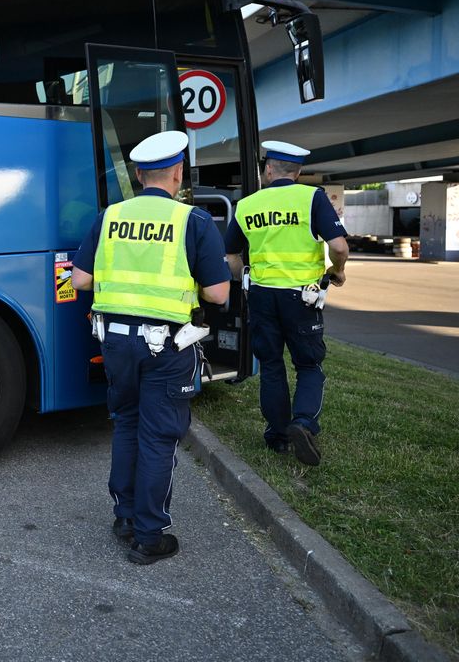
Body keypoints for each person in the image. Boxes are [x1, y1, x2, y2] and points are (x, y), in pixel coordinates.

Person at [72, 132, 230, 565]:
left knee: (125, 424)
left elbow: (80, 280)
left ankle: (124, 517)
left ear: (139, 175)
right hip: (166, 346)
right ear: (178, 175)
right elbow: (217, 294)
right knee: (159, 436)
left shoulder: (109, 217)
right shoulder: (192, 221)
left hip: (115, 342)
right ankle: (149, 535)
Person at [224, 141, 348, 467]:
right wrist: (337, 271)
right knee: (308, 365)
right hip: (301, 298)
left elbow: (231, 255)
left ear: (268, 169)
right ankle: (303, 423)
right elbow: (339, 246)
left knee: (271, 366)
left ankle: (278, 436)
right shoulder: (311, 198)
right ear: (299, 172)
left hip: (263, 296)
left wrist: (245, 279)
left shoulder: (247, 205)